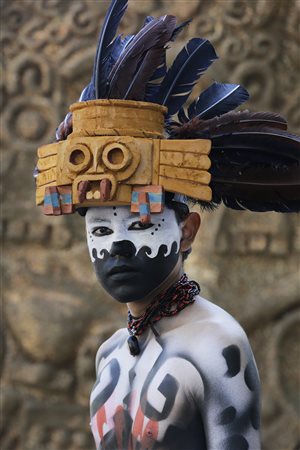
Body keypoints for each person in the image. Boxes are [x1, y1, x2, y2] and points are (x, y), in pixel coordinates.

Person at [34, 0, 299, 449]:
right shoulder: (110, 355)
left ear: (188, 231)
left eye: (139, 223)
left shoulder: (219, 346)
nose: (117, 246)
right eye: (99, 230)